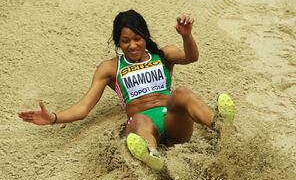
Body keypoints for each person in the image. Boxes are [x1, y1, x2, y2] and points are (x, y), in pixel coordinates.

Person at [18, 9, 235, 171]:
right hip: (145, 128)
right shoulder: (110, 68)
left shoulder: (163, 54)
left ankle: (220, 126)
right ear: (118, 43)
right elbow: (84, 107)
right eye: (125, 41)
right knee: (138, 120)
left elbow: (191, 57)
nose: (132, 45)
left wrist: (186, 36)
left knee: (182, 93)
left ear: (145, 37)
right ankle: (154, 159)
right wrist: (54, 117)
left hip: (173, 122)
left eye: (138, 39)